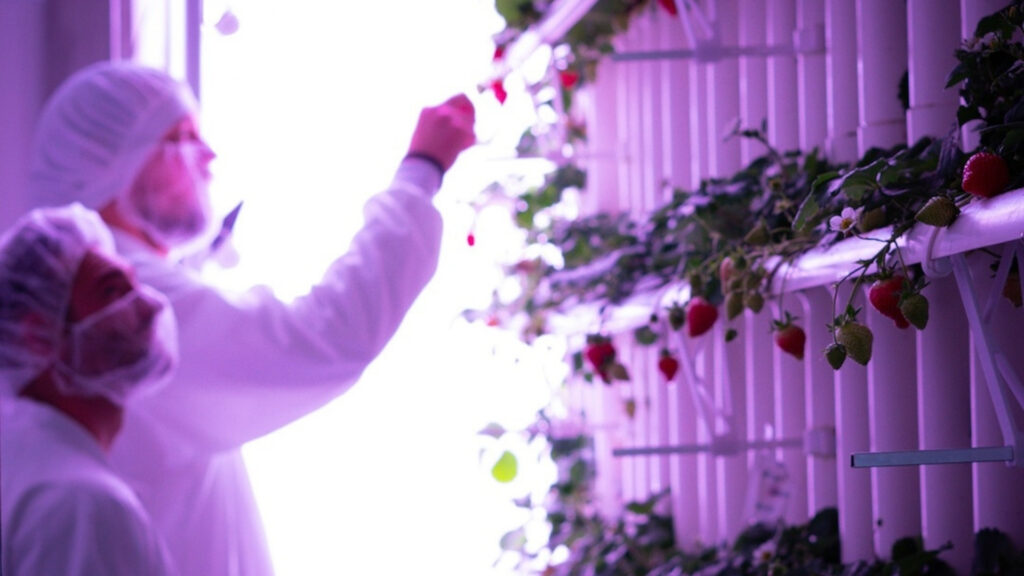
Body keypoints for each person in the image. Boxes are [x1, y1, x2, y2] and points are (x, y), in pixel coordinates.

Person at [27, 60, 476, 575]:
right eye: (183, 137)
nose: (209, 155)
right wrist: (422, 169)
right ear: (114, 164)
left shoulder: (91, 291)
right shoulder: (127, 304)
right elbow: (324, 338)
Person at [0, 203, 180, 575]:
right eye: (113, 291)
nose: (147, 307)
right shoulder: (82, 504)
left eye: (135, 283)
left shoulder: (24, 463)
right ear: (37, 336)